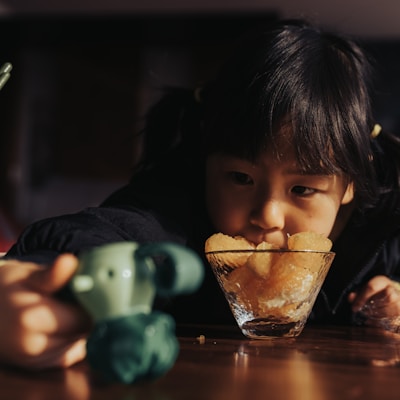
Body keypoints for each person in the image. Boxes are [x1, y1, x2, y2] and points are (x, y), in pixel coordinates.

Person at [1, 18, 400, 370]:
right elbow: (105, 234)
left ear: (349, 183)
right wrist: (37, 279)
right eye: (240, 178)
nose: (268, 216)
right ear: (206, 163)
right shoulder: (178, 207)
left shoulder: (388, 223)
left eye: (301, 189)